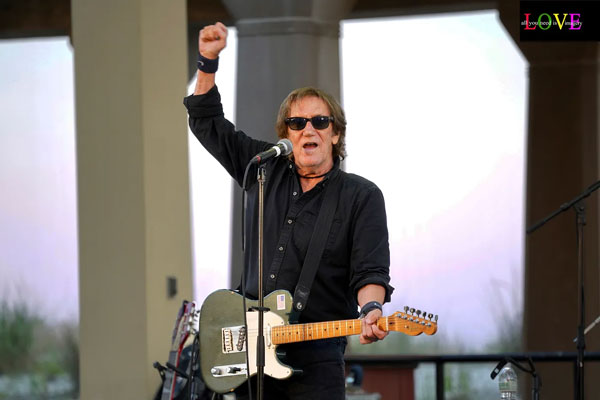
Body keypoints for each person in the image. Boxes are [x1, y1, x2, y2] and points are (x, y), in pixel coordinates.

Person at [183, 22, 394, 400]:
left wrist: (373, 308)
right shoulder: (263, 168)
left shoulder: (361, 196)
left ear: (335, 134)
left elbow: (370, 270)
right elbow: (206, 123)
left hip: (316, 362)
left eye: (320, 121)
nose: (308, 129)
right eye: (297, 122)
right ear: (287, 133)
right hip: (251, 358)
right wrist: (208, 60)